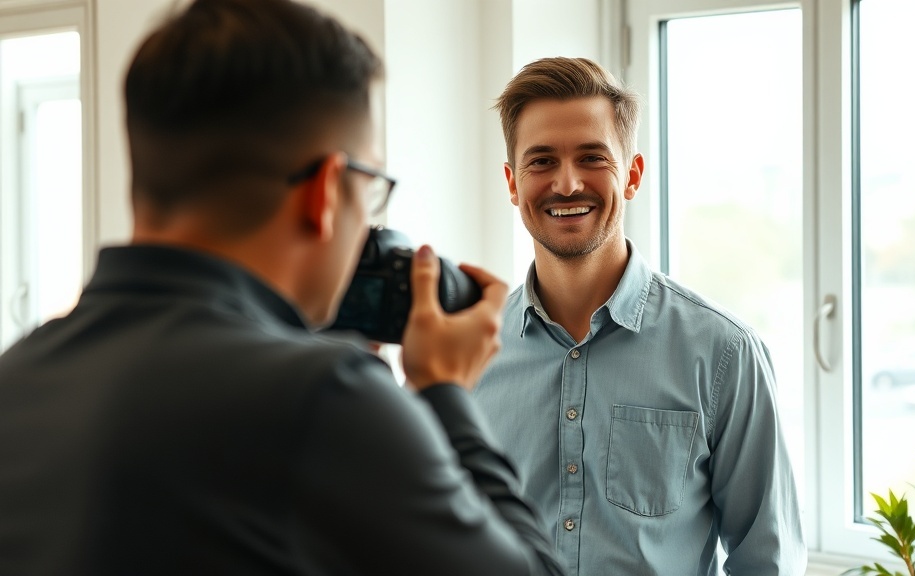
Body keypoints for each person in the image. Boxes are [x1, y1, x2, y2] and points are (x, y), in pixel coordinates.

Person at [0, 1, 565, 574]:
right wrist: (447, 391)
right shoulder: (327, 398)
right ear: (326, 190)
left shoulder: (17, 375)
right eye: (371, 186)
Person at [473, 56, 806, 575]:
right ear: (513, 183)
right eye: (541, 161)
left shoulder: (725, 355)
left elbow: (768, 561)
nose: (566, 184)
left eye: (591, 158)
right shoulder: (468, 352)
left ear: (631, 175)